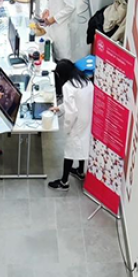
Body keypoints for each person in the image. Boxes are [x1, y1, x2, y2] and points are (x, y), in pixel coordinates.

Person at [47, 60, 93, 189]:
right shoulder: (86, 81)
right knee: (82, 145)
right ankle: (80, 171)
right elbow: (78, 102)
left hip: (77, 122)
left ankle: (64, 181)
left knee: (70, 151)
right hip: (87, 119)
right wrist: (60, 108)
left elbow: (71, 112)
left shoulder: (68, 86)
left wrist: (67, 128)